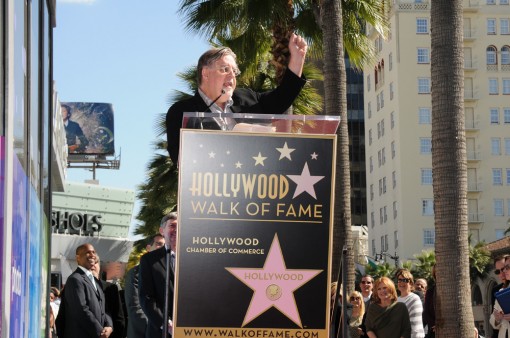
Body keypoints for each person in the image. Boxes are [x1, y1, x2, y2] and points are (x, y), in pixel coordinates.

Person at [165, 33, 308, 164]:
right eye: (225, 69)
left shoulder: (247, 98)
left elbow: (281, 98)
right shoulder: (182, 111)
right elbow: (180, 158)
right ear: (206, 73)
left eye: (234, 71)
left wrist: (297, 60)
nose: (232, 76)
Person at [55, 243, 113, 338]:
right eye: (87, 252)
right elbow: (81, 310)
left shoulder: (95, 281)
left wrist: (109, 326)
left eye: (93, 252)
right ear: (78, 258)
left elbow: (104, 308)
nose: (92, 255)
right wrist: (100, 332)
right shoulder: (75, 279)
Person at [139, 213, 178, 338]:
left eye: (180, 226)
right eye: (172, 226)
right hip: (160, 332)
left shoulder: (195, 259)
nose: (176, 229)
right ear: (162, 231)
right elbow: (146, 297)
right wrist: (165, 323)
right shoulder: (149, 260)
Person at [125, 234, 165, 338]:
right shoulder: (135, 273)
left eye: (164, 245)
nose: (162, 248)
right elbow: (135, 307)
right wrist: (159, 324)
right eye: (158, 244)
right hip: (142, 333)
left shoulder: (169, 272)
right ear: (148, 248)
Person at [91, 257, 126, 338]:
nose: (92, 265)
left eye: (95, 262)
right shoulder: (73, 286)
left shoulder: (111, 288)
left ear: (99, 266)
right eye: (88, 262)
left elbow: (119, 318)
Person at [396, 269, 425, 338]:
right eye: (399, 280)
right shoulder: (396, 300)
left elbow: (413, 323)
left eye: (405, 280)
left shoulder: (415, 299)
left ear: (411, 284)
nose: (401, 283)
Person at [490, 255, 510, 338]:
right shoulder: (500, 291)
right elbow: (493, 321)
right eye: (498, 271)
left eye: (506, 268)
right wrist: (497, 319)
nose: (503, 272)